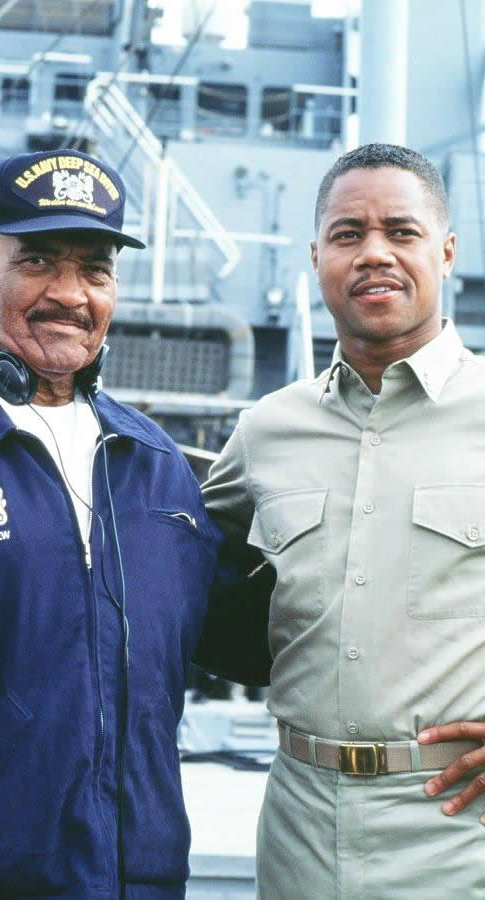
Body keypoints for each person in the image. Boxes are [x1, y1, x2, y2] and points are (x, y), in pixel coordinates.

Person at [0, 148, 259, 899]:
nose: (69, 293)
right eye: (37, 262)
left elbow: (267, 643)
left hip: (139, 883)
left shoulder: (155, 465)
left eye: (94, 269)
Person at [202, 143, 485, 897]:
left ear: (447, 252)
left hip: (459, 833)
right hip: (298, 827)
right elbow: (173, 566)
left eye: (402, 231)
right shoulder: (267, 430)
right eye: (348, 234)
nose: (374, 254)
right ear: (317, 257)